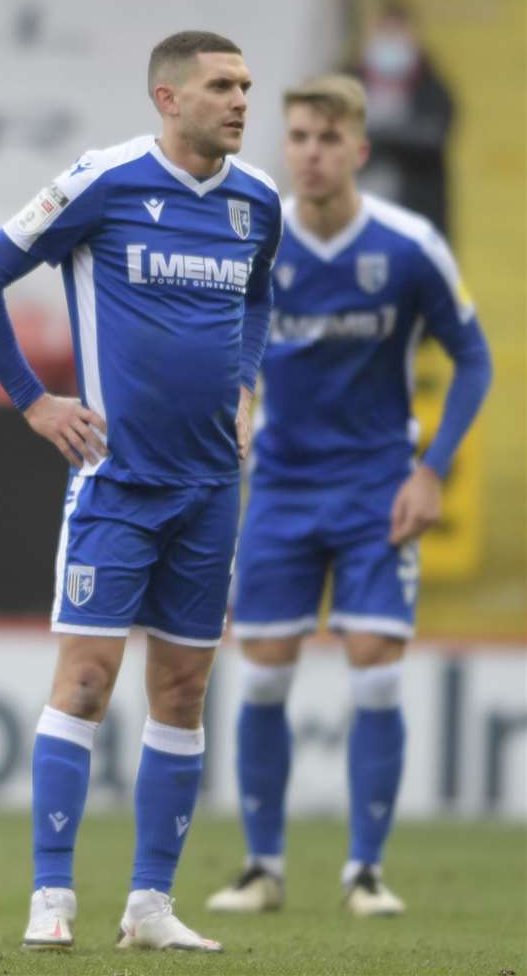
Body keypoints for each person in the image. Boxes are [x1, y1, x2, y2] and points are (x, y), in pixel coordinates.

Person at [0, 31, 281, 953]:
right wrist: (33, 400)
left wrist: (246, 379)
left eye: (247, 85)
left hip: (214, 485)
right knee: (89, 680)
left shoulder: (258, 203)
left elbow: (257, 299)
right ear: (168, 99)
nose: (241, 101)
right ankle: (51, 897)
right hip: (118, 484)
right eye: (222, 85)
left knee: (182, 689)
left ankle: (150, 906)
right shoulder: (104, 179)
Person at [205, 74, 490, 918]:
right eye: (297, 137)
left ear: (359, 150)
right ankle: (262, 867)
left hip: (376, 490)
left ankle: (365, 870)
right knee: (261, 678)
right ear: (283, 146)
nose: (311, 153)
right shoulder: (255, 241)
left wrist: (431, 468)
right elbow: (224, 347)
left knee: (372, 668)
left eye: (328, 139)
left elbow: (473, 358)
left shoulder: (407, 246)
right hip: (283, 490)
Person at [356, 0, 455, 235]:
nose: (390, 40)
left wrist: (378, 136)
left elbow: (432, 136)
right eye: (385, 31)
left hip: (415, 220)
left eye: (397, 32)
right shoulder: (346, 82)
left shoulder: (432, 88)